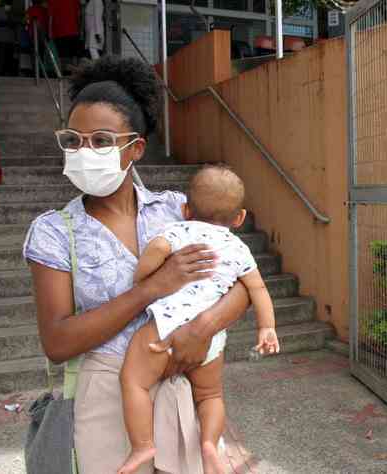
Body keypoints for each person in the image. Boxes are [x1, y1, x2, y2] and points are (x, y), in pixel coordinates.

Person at [23, 56, 250, 473]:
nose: (84, 151)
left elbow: (240, 283)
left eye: (102, 140)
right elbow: (57, 342)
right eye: (74, 140)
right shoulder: (55, 232)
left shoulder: (175, 212)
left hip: (181, 388)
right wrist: (150, 288)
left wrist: (202, 329)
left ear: (136, 148)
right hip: (104, 400)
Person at [119, 164, 281, 474]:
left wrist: (143, 276)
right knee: (210, 395)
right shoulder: (239, 248)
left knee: (134, 381)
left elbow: (154, 254)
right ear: (240, 218)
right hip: (212, 340)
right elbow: (257, 289)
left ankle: (142, 445)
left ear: (185, 209)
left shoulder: (177, 231)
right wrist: (267, 327)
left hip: (164, 328)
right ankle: (209, 444)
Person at [47, 0, 81, 73]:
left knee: (63, 56)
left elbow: (50, 17)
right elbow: (78, 14)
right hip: (73, 30)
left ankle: (65, 74)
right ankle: (75, 73)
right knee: (74, 55)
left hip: (59, 31)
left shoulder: (52, 1)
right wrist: (80, 29)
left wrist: (49, 33)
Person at [0, 4, 16, 76]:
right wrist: (6, 22)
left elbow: (14, 23)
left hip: (9, 39)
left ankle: (6, 73)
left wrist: (8, 20)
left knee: (8, 58)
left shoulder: (12, 10)